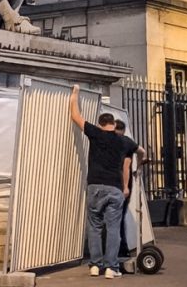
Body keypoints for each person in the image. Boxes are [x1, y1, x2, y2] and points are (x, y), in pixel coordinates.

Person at [69, 84, 130, 279]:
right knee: (113, 228)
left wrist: (75, 93)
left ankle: (95, 265)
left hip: (95, 185)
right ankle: (111, 268)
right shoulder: (123, 141)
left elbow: (75, 116)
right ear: (113, 124)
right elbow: (140, 151)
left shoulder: (95, 133)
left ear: (100, 123)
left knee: (94, 226)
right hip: (114, 188)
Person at [114, 119, 148, 257]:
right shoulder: (127, 142)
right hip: (125, 184)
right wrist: (139, 165)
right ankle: (122, 249)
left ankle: (119, 249)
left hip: (116, 182)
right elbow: (142, 151)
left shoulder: (114, 141)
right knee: (119, 217)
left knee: (113, 218)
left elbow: (126, 165)